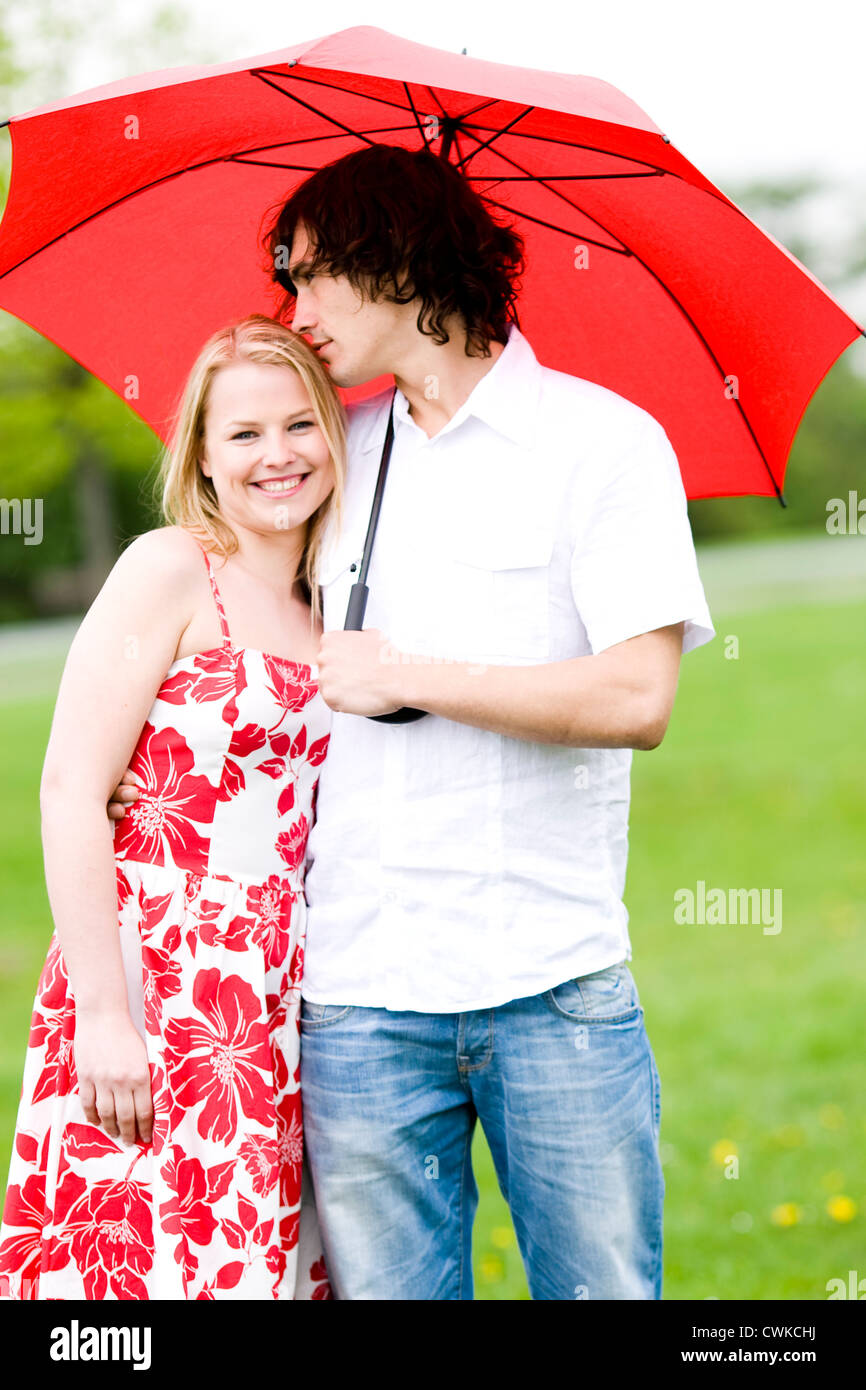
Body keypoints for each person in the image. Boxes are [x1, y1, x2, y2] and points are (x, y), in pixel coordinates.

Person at [109, 144, 715, 1300]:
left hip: (553, 983)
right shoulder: (334, 454)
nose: (295, 314)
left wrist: (414, 673)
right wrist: (150, 775)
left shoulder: (604, 446)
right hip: (357, 999)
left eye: (311, 278)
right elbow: (240, 636)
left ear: (393, 261)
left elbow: (636, 699)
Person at [0, 315, 343, 1299]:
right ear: (199, 451)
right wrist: (104, 1016)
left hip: (286, 989)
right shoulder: (170, 569)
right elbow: (69, 789)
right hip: (162, 973)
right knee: (138, 1274)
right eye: (242, 434)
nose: (276, 455)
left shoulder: (334, 600)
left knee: (253, 1258)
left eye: (298, 425)